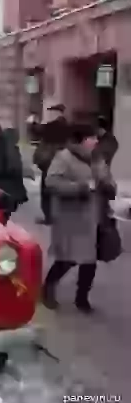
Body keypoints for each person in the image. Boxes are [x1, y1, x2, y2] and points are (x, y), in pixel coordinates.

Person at [41, 124, 116, 313]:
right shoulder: (64, 157)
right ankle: (48, 290)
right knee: (67, 259)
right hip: (71, 218)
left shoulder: (98, 159)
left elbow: (109, 181)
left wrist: (109, 186)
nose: (96, 141)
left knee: (89, 262)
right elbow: (52, 182)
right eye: (92, 137)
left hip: (94, 218)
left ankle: (82, 298)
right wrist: (81, 187)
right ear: (81, 139)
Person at [33, 102, 69, 225]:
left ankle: (49, 216)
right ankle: (59, 216)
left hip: (49, 161)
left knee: (46, 189)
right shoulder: (67, 126)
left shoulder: (52, 126)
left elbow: (36, 131)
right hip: (63, 162)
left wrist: (35, 121)